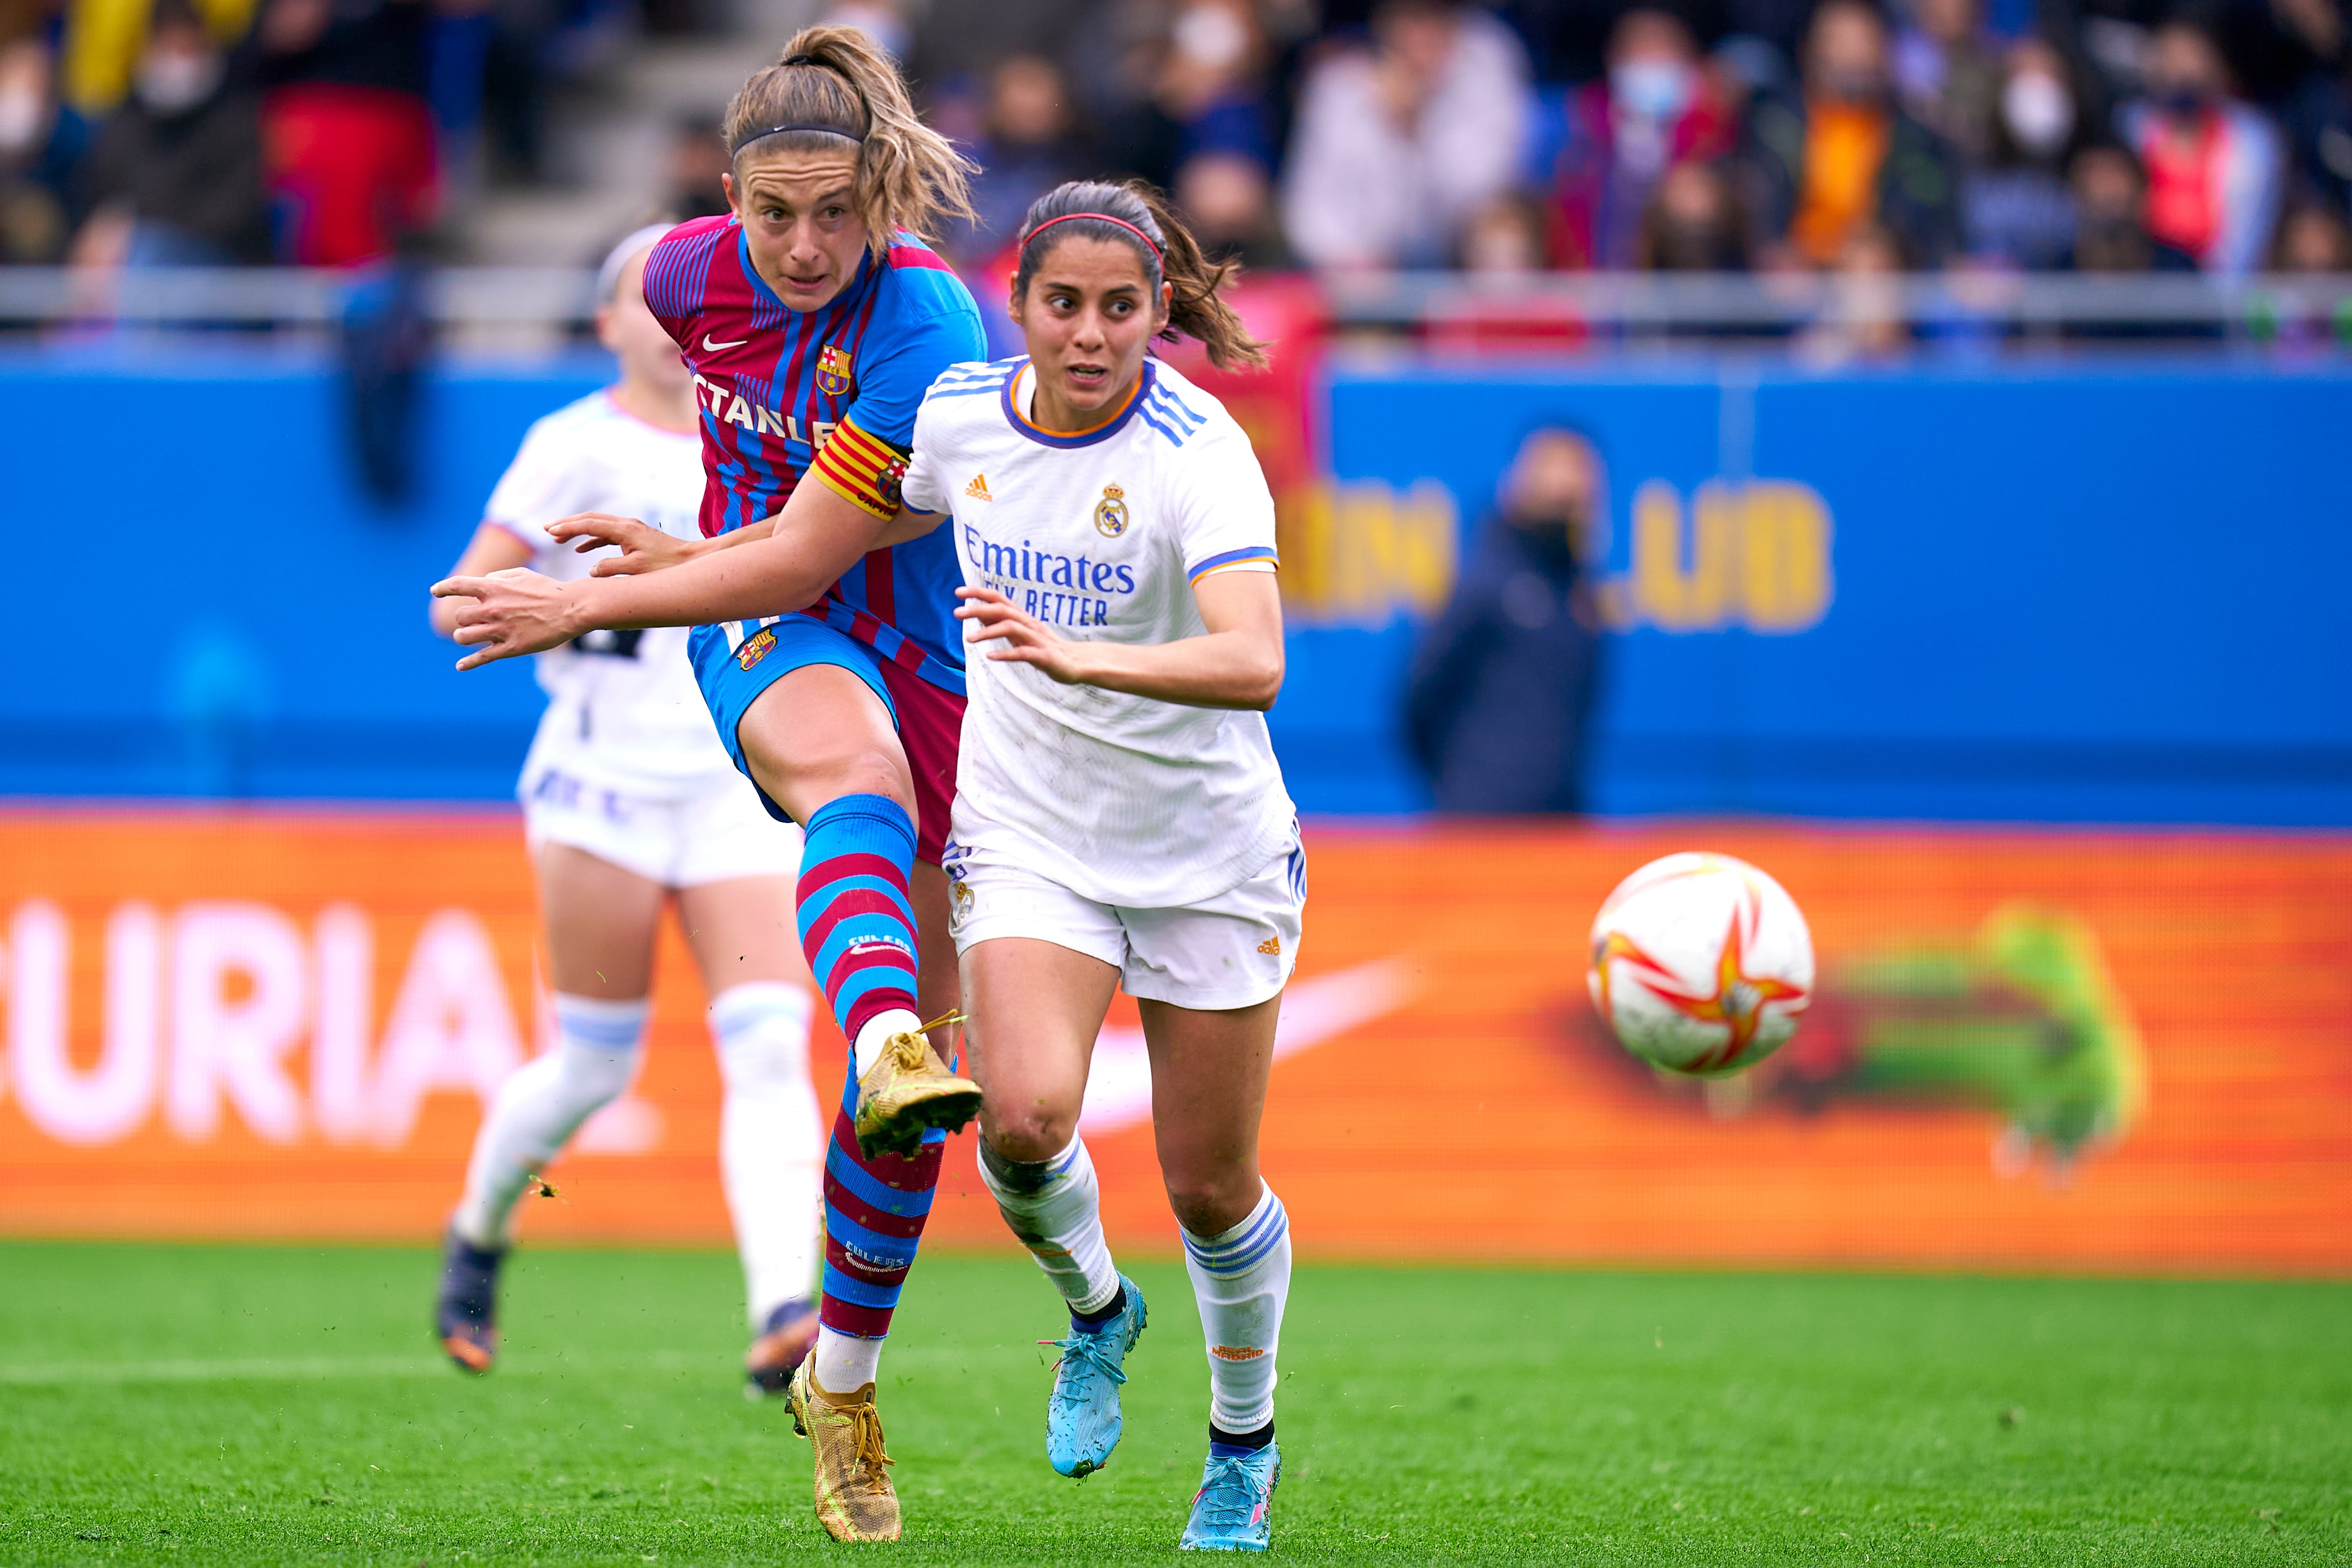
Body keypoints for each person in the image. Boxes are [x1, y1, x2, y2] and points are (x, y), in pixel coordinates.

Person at [431, 25, 988, 1544]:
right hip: (758, 644)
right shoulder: (683, 280)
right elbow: (788, 567)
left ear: (878, 193)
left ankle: (848, 1377)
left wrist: (606, 590)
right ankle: (863, 1052)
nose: (802, 248)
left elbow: (816, 537)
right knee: (831, 844)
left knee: (1002, 1123)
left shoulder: (931, 320)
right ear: (725, 202)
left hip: (929, 654)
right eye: (772, 216)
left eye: (833, 214)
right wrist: (605, 593)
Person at [900, 179, 1300, 1554]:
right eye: (1061, 304)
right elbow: (838, 536)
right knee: (1016, 1119)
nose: (1088, 332)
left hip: (1207, 855)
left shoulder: (1200, 450)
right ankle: (1095, 1310)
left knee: (1208, 1188)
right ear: (1017, 305)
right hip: (1030, 835)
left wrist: (1082, 654)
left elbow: (1255, 660)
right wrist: (689, 560)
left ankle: (1240, 1447)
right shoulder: (956, 418)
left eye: (1118, 307)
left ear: (1158, 314)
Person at [425, 227, 827, 1402]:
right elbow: (455, 601)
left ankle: (781, 1309)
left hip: (734, 782)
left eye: (687, 295)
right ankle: (478, 1230)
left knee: (762, 1038)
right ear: (606, 325)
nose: (667, 316)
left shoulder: (768, 429)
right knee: (593, 1064)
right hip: (599, 786)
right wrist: (539, 597)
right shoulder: (569, 446)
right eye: (642, 299)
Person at [1403, 425, 1605, 815]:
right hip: (1481, 822)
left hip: (1559, 820)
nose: (1566, 490)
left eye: (1576, 483)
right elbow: (1419, 699)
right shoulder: (1482, 580)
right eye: (1552, 474)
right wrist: (1466, 782)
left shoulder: (1580, 591)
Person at [1281, 0, 1534, 268]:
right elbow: (1307, 206)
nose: (1422, 34)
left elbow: (1487, 187)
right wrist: (1344, 257)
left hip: (1459, 260)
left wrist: (1418, 125)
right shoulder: (1336, 83)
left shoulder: (1488, 59)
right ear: (1383, 21)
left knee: (1502, 240)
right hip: (1355, 272)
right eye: (1409, 17)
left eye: (1435, 16)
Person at [1744, 0, 1962, 269]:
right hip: (1795, 271)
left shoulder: (1916, 140)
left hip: (1879, 269)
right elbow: (1759, 206)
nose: (1851, 57)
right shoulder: (1773, 125)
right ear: (1810, 50)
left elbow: (1927, 222)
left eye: (1862, 43)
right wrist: (1775, 250)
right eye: (1839, 42)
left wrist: (1881, 247)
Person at [2122, 17, 2284, 275]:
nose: (2179, 72)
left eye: (2192, 57)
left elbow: (2247, 241)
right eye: (2168, 57)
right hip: (2146, 288)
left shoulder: (2252, 139)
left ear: (2217, 66)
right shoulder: (2128, 128)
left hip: (2218, 299)